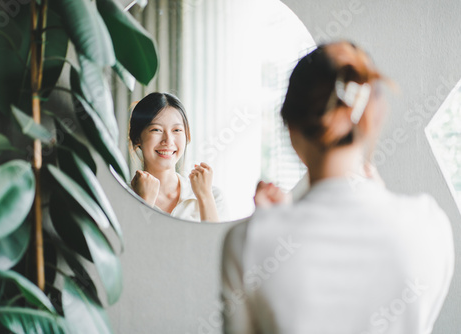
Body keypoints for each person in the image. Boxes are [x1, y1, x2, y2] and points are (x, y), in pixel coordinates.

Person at [220, 41, 454, 333]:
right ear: (372, 121)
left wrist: (274, 226)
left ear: (291, 130)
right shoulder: (429, 225)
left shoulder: (249, 241)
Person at [128, 92, 227, 222]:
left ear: (187, 136)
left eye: (177, 130)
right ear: (137, 138)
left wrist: (205, 197)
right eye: (156, 130)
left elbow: (217, 242)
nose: (168, 140)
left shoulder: (213, 196)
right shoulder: (122, 197)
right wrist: (143, 203)